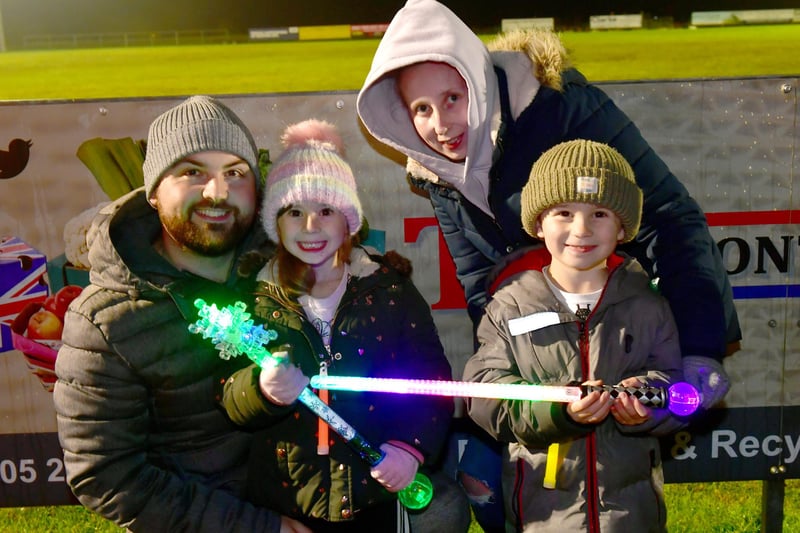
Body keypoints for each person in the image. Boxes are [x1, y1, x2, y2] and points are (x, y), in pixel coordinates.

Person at [356, 1, 740, 529]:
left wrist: (698, 349)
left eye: (452, 97)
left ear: (479, 78)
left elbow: (669, 219)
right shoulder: (433, 172)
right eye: (420, 108)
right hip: (544, 371)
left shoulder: (562, 108)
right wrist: (517, 386)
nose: (441, 125)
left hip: (620, 339)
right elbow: (479, 287)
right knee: (492, 489)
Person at [53, 95, 310, 532]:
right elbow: (107, 476)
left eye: (235, 172)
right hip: (214, 520)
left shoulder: (293, 269)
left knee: (436, 509)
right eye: (193, 172)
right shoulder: (105, 321)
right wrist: (260, 529)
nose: (218, 192)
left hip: (317, 490)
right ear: (153, 192)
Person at [218, 119, 461, 533]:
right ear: (274, 223)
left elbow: (430, 384)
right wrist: (260, 390)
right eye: (294, 212)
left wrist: (409, 449)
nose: (310, 228)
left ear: (348, 220)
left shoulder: (390, 293)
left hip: (373, 497)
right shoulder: (251, 301)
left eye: (326, 211)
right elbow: (225, 393)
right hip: (285, 504)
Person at [463, 139, 688, 532]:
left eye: (599, 213)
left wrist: (649, 400)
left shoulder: (647, 305)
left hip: (631, 518)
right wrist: (557, 409)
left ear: (623, 228)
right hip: (544, 517)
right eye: (563, 212)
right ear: (537, 223)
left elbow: (675, 388)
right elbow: (485, 394)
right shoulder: (510, 306)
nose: (581, 229)